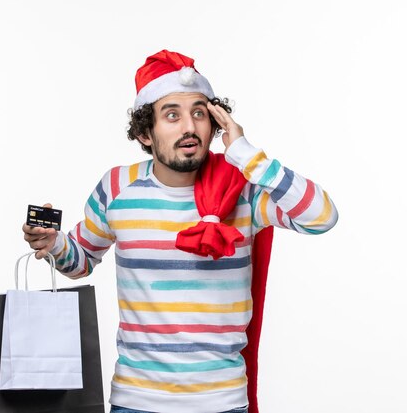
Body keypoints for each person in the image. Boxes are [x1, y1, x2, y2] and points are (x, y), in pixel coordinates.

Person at [22, 49, 338, 413]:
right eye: (172, 114)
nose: (189, 126)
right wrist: (55, 243)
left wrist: (247, 154)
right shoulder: (116, 188)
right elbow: (81, 261)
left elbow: (321, 216)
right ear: (145, 132)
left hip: (222, 401)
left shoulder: (244, 191)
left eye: (199, 113)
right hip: (136, 401)